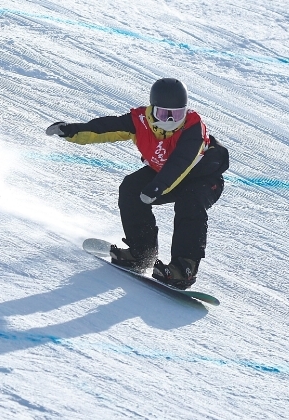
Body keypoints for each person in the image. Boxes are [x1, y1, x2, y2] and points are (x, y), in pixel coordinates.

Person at [45, 78, 229, 289]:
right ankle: (142, 253)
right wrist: (71, 130)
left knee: (190, 203)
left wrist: (156, 187)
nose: (170, 120)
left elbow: (180, 163)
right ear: (152, 110)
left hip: (202, 179)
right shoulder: (140, 122)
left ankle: (183, 269)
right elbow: (105, 128)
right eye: (164, 114)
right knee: (131, 188)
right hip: (163, 174)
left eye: (177, 115)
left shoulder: (193, 128)